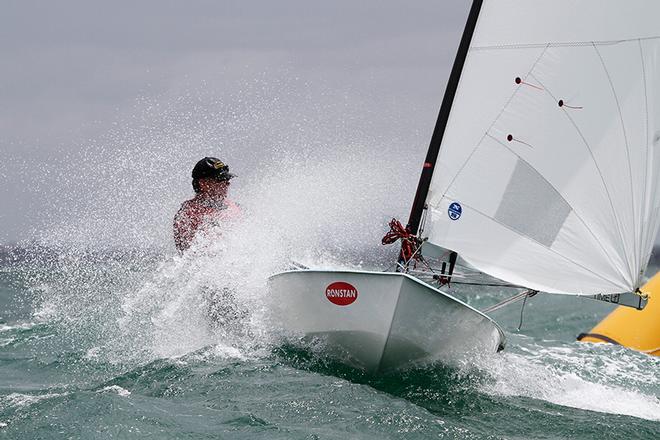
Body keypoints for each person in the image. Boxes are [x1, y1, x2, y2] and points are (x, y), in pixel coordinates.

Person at [173, 157, 239, 253]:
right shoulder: (187, 214)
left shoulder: (236, 208)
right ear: (203, 183)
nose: (227, 184)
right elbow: (185, 254)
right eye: (221, 180)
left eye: (227, 180)